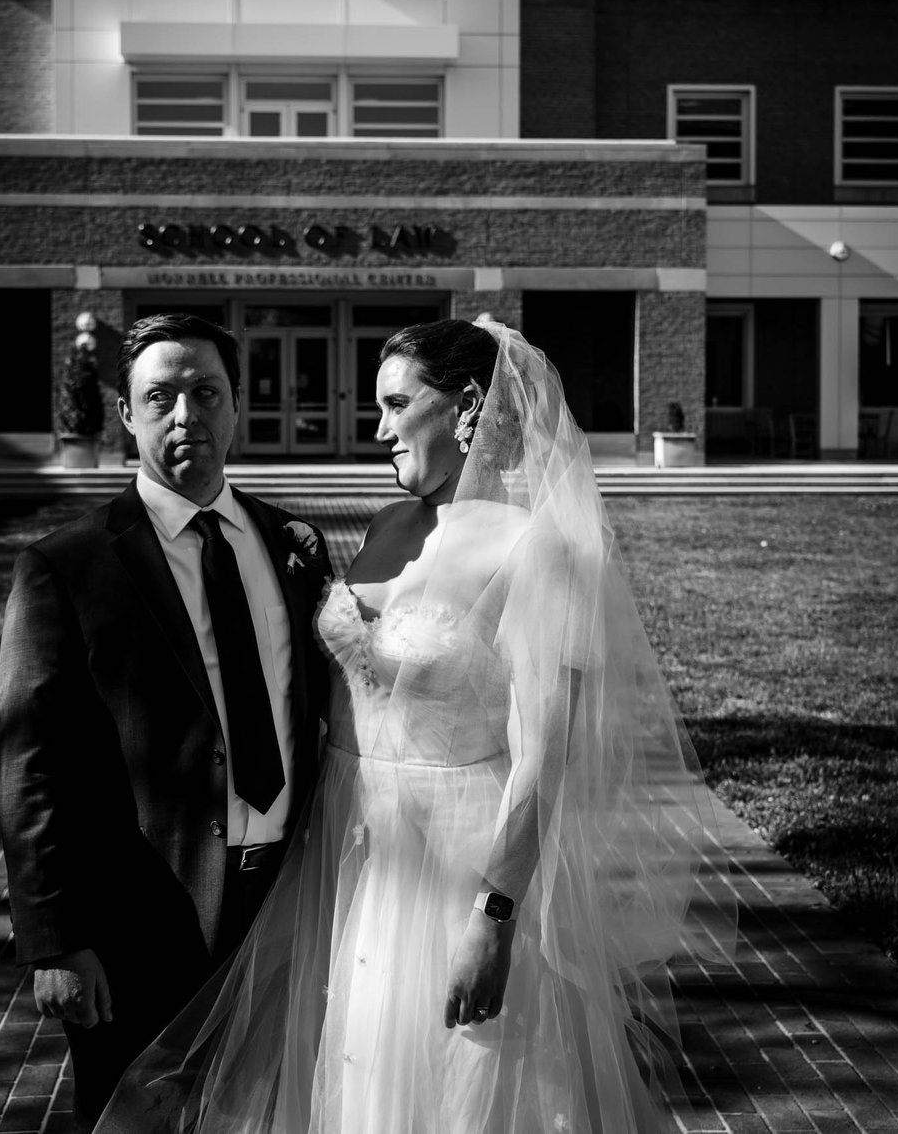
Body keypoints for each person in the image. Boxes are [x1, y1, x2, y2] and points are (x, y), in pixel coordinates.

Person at [95, 317, 736, 1134]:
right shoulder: (392, 527)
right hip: (347, 848)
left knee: (454, 1087)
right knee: (345, 1072)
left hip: (456, 868)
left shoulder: (538, 553)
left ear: (468, 407)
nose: (380, 429)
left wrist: (494, 920)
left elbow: (545, 760)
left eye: (398, 405)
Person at [0, 312, 332, 1133]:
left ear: (236, 404)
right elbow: (29, 765)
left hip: (284, 900)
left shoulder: (294, 544)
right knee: (135, 1117)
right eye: (162, 397)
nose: (187, 416)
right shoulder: (67, 566)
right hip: (140, 922)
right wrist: (54, 938)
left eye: (206, 393)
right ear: (128, 414)